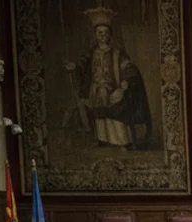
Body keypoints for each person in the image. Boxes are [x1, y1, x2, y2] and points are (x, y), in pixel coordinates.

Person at [64, 10, 152, 150]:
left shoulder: (117, 52)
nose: (102, 35)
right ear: (95, 35)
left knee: (116, 113)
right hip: (96, 89)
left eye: (105, 32)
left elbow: (128, 66)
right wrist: (73, 66)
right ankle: (103, 140)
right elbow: (82, 63)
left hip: (113, 89)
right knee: (99, 115)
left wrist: (125, 83)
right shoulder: (92, 52)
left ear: (109, 34)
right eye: (99, 32)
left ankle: (123, 142)